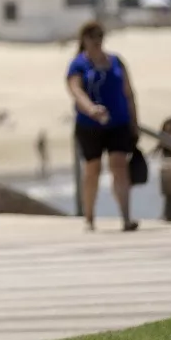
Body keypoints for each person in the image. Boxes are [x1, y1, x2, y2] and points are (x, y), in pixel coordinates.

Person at [66, 21, 140, 232]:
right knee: (92, 168)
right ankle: (89, 217)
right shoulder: (78, 65)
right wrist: (91, 109)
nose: (96, 41)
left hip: (118, 121)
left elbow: (128, 92)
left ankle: (126, 217)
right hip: (89, 124)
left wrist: (134, 120)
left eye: (99, 36)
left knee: (119, 165)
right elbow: (75, 90)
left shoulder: (116, 61)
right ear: (84, 40)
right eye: (91, 36)